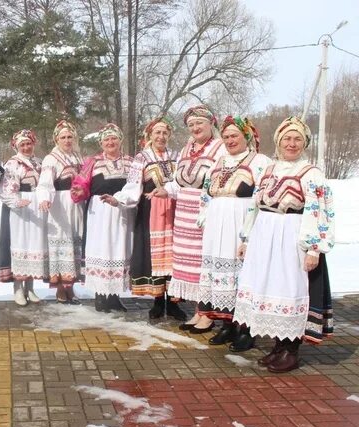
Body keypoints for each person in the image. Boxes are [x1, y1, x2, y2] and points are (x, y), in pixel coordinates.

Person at [233, 117, 334, 372]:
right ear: (278, 141)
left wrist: (314, 249)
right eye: (287, 138)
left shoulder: (312, 173)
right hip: (265, 235)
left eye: (297, 139)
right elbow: (255, 206)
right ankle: (278, 345)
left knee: (289, 286)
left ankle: (291, 348)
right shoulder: (269, 170)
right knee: (269, 285)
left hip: (292, 235)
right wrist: (246, 237)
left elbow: (321, 212)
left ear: (305, 143)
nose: (292, 143)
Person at [195, 117, 271, 347]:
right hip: (217, 226)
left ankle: (246, 330)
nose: (230, 140)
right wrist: (204, 216)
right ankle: (227, 325)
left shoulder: (260, 162)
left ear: (246, 136)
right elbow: (206, 194)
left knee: (243, 276)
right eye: (226, 136)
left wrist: (250, 231)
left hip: (241, 223)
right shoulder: (219, 161)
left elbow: (261, 197)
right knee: (220, 276)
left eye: (234, 136)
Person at [158, 105, 226, 325]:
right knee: (189, 263)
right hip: (184, 213)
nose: (195, 128)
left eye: (200, 123)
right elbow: (179, 181)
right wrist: (166, 189)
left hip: (204, 210)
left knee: (203, 262)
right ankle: (199, 310)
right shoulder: (188, 148)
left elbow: (220, 180)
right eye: (191, 125)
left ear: (211, 124)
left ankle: (208, 314)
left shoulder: (219, 148)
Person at [114, 116, 180, 319]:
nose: (161, 136)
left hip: (176, 210)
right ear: (150, 135)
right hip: (151, 211)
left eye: (164, 133)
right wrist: (119, 199)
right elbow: (133, 186)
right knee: (155, 256)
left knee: (175, 255)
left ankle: (175, 301)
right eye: (157, 133)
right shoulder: (142, 158)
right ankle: (158, 301)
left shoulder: (177, 156)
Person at [71, 123, 134, 312]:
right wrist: (80, 190)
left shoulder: (130, 162)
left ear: (121, 140)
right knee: (102, 249)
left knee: (119, 250)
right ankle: (100, 295)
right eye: (106, 139)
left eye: (114, 138)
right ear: (101, 143)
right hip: (100, 212)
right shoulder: (93, 162)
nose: (110, 142)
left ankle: (114, 295)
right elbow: (80, 183)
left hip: (122, 210)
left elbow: (135, 185)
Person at [37, 120, 85, 304]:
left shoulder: (78, 157)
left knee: (74, 245)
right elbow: (45, 183)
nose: (67, 140)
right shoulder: (52, 159)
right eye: (63, 137)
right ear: (57, 139)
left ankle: (70, 286)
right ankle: (59, 288)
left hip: (77, 205)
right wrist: (45, 198)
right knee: (60, 246)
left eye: (70, 137)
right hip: (60, 205)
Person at [0, 129, 48, 306]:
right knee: (20, 243)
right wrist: (16, 202)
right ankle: (18, 288)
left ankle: (30, 287)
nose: (26, 147)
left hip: (36, 208)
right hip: (19, 209)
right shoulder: (12, 164)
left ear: (34, 143)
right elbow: (5, 189)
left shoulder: (39, 163)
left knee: (33, 244)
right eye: (22, 144)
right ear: (16, 146)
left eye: (28, 144)